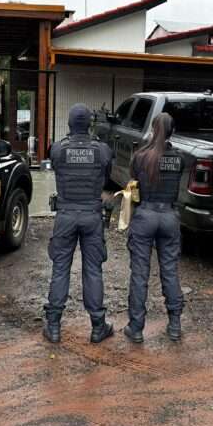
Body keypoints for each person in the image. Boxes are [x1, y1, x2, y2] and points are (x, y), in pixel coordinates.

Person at [43, 103, 114, 344]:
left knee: (60, 268)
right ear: (89, 125)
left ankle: (53, 327)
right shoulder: (102, 150)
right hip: (92, 216)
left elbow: (54, 165)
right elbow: (107, 174)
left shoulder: (57, 149)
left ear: (70, 124)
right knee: (93, 270)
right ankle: (97, 326)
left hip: (65, 216)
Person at [123, 112, 185, 343]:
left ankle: (136, 328)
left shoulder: (140, 157)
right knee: (169, 270)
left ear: (153, 129)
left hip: (145, 216)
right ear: (172, 132)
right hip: (169, 217)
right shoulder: (179, 159)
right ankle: (175, 325)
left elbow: (133, 188)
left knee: (140, 273)